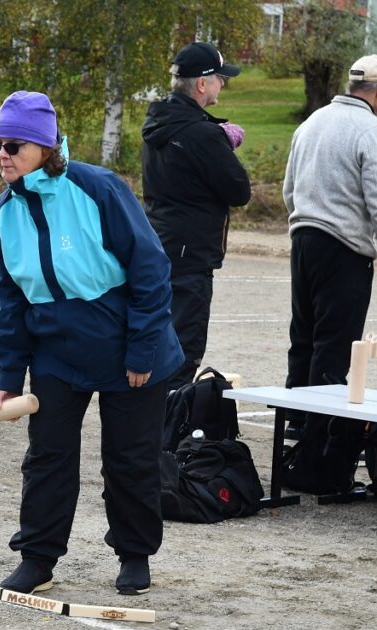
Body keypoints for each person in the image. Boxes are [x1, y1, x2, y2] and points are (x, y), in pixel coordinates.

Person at [0, 92, 183, 596]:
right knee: (47, 456)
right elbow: (10, 302)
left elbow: (151, 268)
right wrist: (10, 374)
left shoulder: (96, 187)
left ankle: (134, 555)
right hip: (56, 350)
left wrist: (141, 349)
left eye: (13, 145)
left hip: (127, 345)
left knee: (130, 457)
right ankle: (38, 557)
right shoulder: (2, 214)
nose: (2, 155)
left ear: (46, 147)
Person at [282, 55, 377, 440]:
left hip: (303, 240)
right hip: (343, 250)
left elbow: (290, 189)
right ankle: (319, 441)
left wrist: (305, 220)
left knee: (302, 339)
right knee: (334, 346)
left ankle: (295, 427)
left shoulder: (312, 121)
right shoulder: (371, 130)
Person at [141, 42, 251, 391]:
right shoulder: (202, 134)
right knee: (183, 352)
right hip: (190, 257)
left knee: (158, 344)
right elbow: (239, 190)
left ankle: (151, 435)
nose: (223, 84)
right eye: (219, 78)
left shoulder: (159, 121)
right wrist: (221, 143)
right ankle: (163, 440)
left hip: (161, 243)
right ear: (202, 84)